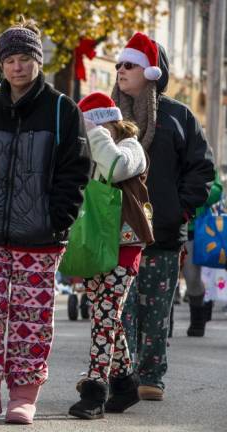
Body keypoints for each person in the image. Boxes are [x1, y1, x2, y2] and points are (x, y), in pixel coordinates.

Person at [0, 19, 91, 424]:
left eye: (25, 59)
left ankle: (24, 395)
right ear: (0, 65)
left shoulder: (62, 110)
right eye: (10, 60)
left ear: (38, 62)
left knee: (32, 316)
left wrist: (57, 219)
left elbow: (75, 171)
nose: (17, 67)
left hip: (41, 235)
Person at [112, 32, 214, 401]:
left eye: (130, 65)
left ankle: (151, 375)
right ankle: (118, 372)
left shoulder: (178, 115)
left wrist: (180, 210)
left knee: (154, 310)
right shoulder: (106, 113)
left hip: (162, 231)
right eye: (119, 65)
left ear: (152, 72)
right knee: (118, 307)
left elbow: (201, 169)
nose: (121, 70)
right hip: (114, 229)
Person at [67, 92, 153, 419]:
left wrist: (94, 131)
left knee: (105, 313)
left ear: (108, 123)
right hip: (92, 244)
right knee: (107, 316)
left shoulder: (132, 148)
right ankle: (126, 383)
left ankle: (95, 390)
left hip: (125, 245)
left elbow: (116, 168)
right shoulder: (86, 150)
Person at [183, 171, 222, 337]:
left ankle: (198, 320)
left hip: (194, 228)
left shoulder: (203, 156)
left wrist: (196, 186)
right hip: (168, 223)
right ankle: (163, 326)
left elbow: (216, 193)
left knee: (192, 277)